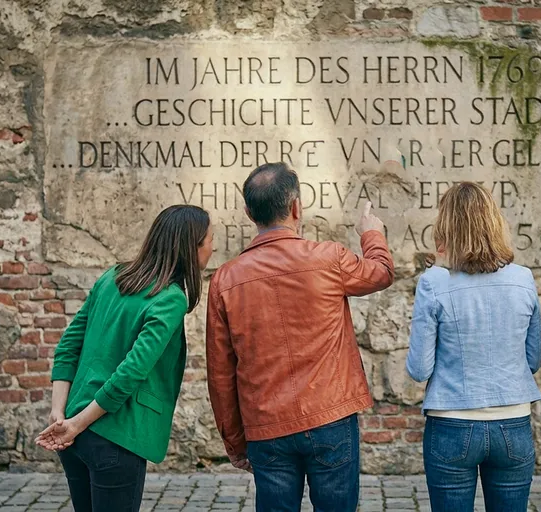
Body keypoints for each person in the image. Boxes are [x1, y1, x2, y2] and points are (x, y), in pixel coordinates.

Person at [206, 162, 394, 512]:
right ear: (296, 207)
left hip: (266, 425)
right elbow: (381, 273)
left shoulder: (225, 280)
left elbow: (220, 373)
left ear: (249, 213)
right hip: (330, 416)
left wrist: (234, 441)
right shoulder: (329, 258)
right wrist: (372, 232)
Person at [35, 205, 213, 512]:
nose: (214, 248)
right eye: (210, 240)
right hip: (114, 437)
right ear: (192, 247)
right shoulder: (170, 298)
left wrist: (58, 412)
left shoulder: (111, 277)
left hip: (73, 431)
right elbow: (130, 372)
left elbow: (67, 345)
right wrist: (74, 424)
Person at [406, 182, 541, 511]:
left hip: (451, 421)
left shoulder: (434, 282)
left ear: (445, 228)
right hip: (513, 420)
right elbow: (532, 360)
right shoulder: (523, 278)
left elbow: (419, 369)